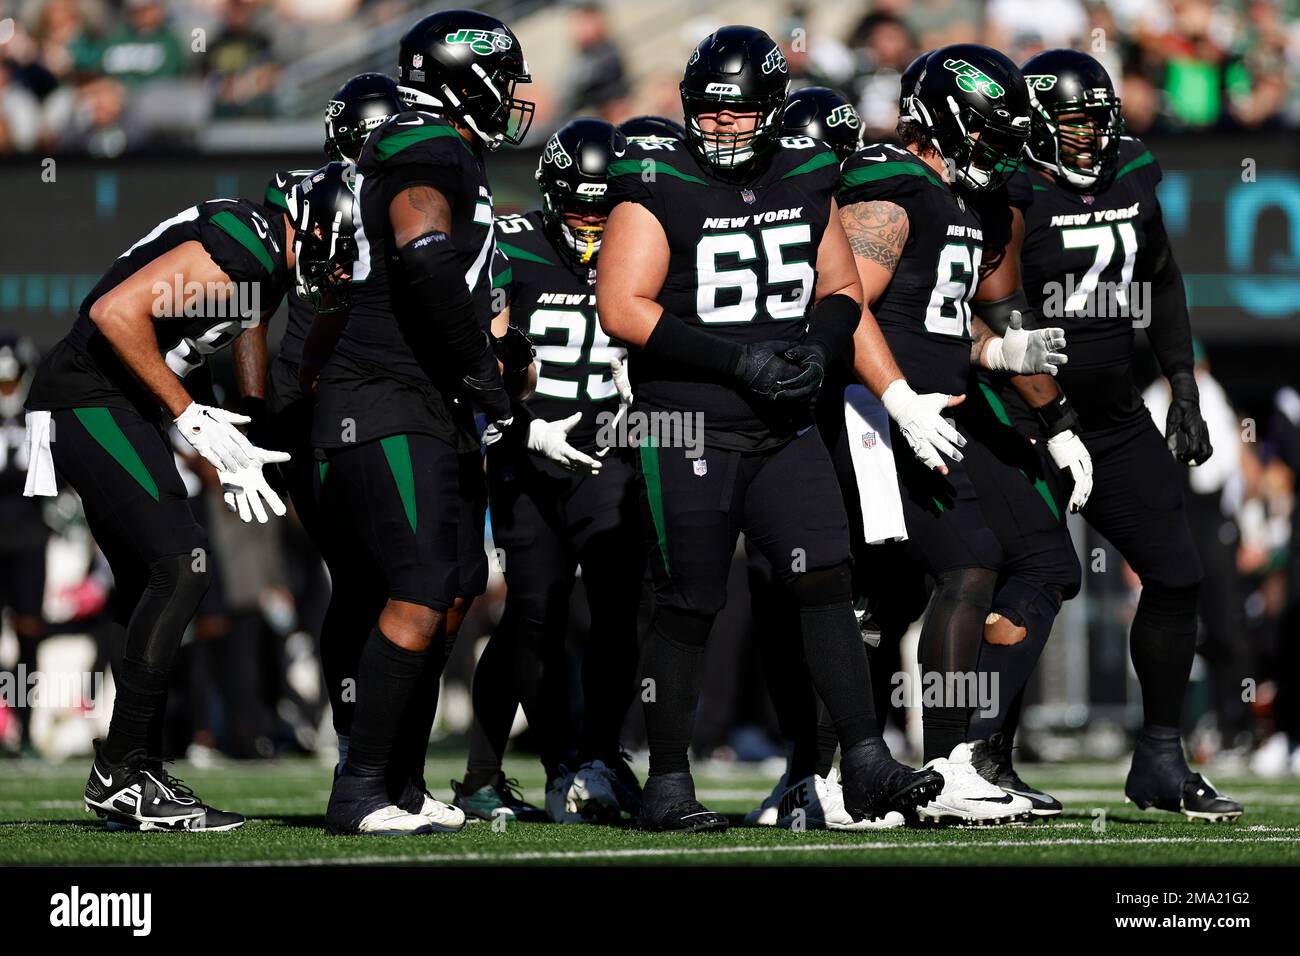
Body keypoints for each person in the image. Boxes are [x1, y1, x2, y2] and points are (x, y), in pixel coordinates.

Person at [599, 24, 947, 832]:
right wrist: (740, 363)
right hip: (690, 423)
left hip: (783, 423)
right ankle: (670, 784)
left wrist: (819, 354)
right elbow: (622, 308)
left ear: (772, 110)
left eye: (737, 111)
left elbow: (839, 287)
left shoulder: (803, 169)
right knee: (690, 600)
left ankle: (860, 759)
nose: (719, 125)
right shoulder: (656, 180)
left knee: (826, 578)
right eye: (708, 111)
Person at [994, 48, 1242, 820]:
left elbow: (1163, 277)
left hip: (1114, 417)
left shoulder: (1132, 168)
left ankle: (1162, 757)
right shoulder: (1012, 187)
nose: (1089, 139)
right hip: (1024, 419)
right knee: (1029, 580)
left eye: (1098, 123)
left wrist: (1184, 386)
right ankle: (982, 759)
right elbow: (994, 304)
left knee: (1177, 574)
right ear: (1036, 127)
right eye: (1071, 125)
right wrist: (1047, 414)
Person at [311, 10, 536, 836]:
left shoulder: (442, 145)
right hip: (387, 395)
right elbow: (424, 250)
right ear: (463, 74)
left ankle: (398, 780)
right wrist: (479, 366)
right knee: (419, 584)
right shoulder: (429, 145)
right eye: (502, 79)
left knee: (453, 585)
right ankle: (363, 786)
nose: (512, 97)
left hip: (415, 400)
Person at [23, 190, 295, 831]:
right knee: (182, 566)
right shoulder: (244, 245)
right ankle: (121, 770)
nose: (342, 274)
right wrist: (190, 414)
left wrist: (250, 416)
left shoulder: (268, 256)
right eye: (341, 257)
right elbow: (114, 310)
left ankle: (135, 764)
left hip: (119, 402)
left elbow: (247, 315)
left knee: (153, 580)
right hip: (91, 394)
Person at [454, 118, 644, 824]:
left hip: (612, 452)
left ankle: (596, 754)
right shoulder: (510, 244)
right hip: (525, 449)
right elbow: (472, 343)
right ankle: (532, 765)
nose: (592, 223)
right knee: (535, 613)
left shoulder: (649, 238)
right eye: (580, 207)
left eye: (603, 208)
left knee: (620, 605)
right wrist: (519, 420)